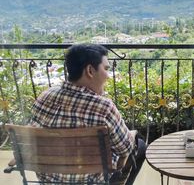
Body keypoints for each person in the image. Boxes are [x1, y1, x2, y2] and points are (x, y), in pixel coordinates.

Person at [30, 44, 145, 184]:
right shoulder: (103, 107)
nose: (108, 76)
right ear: (90, 70)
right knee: (140, 144)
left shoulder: (45, 96)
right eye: (106, 69)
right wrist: (132, 135)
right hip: (90, 181)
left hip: (49, 180)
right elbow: (125, 149)